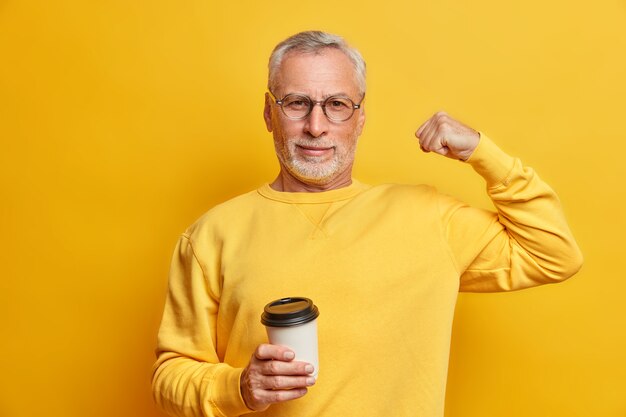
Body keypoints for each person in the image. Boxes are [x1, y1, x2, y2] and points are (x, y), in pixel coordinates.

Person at [152, 31, 583, 417]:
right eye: (297, 103)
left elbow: (554, 254)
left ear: (360, 118)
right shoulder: (212, 235)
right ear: (269, 113)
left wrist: (483, 153)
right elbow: (170, 375)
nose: (315, 127)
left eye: (337, 105)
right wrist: (239, 387)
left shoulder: (427, 216)